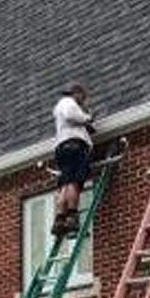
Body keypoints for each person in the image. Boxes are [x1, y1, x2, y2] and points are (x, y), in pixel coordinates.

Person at [51, 83, 95, 238]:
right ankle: (72, 216)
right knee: (73, 182)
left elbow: (70, 120)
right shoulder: (68, 103)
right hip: (74, 146)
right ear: (77, 93)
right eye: (83, 97)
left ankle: (60, 219)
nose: (83, 102)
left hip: (63, 148)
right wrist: (87, 118)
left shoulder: (59, 107)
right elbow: (72, 115)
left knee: (65, 183)